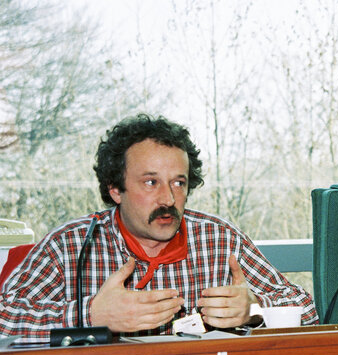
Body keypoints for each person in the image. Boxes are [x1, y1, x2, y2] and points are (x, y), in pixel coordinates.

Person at [0, 114, 318, 341]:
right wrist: (91, 316)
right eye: (151, 182)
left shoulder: (219, 240)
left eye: (178, 183)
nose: (168, 198)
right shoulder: (70, 244)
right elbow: (4, 320)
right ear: (115, 188)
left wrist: (257, 310)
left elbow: (308, 310)